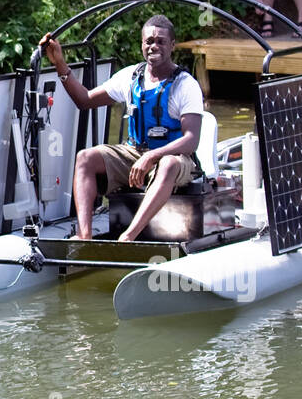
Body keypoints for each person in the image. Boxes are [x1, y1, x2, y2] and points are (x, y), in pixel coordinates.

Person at [41, 16, 204, 243]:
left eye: (160, 41)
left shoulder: (186, 85)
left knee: (167, 163)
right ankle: (84, 236)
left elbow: (191, 140)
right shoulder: (131, 76)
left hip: (175, 159)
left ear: (172, 45)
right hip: (134, 153)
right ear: (141, 45)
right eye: (148, 41)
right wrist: (60, 63)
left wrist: (153, 155)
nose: (153, 46)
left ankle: (128, 237)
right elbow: (85, 100)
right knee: (85, 157)